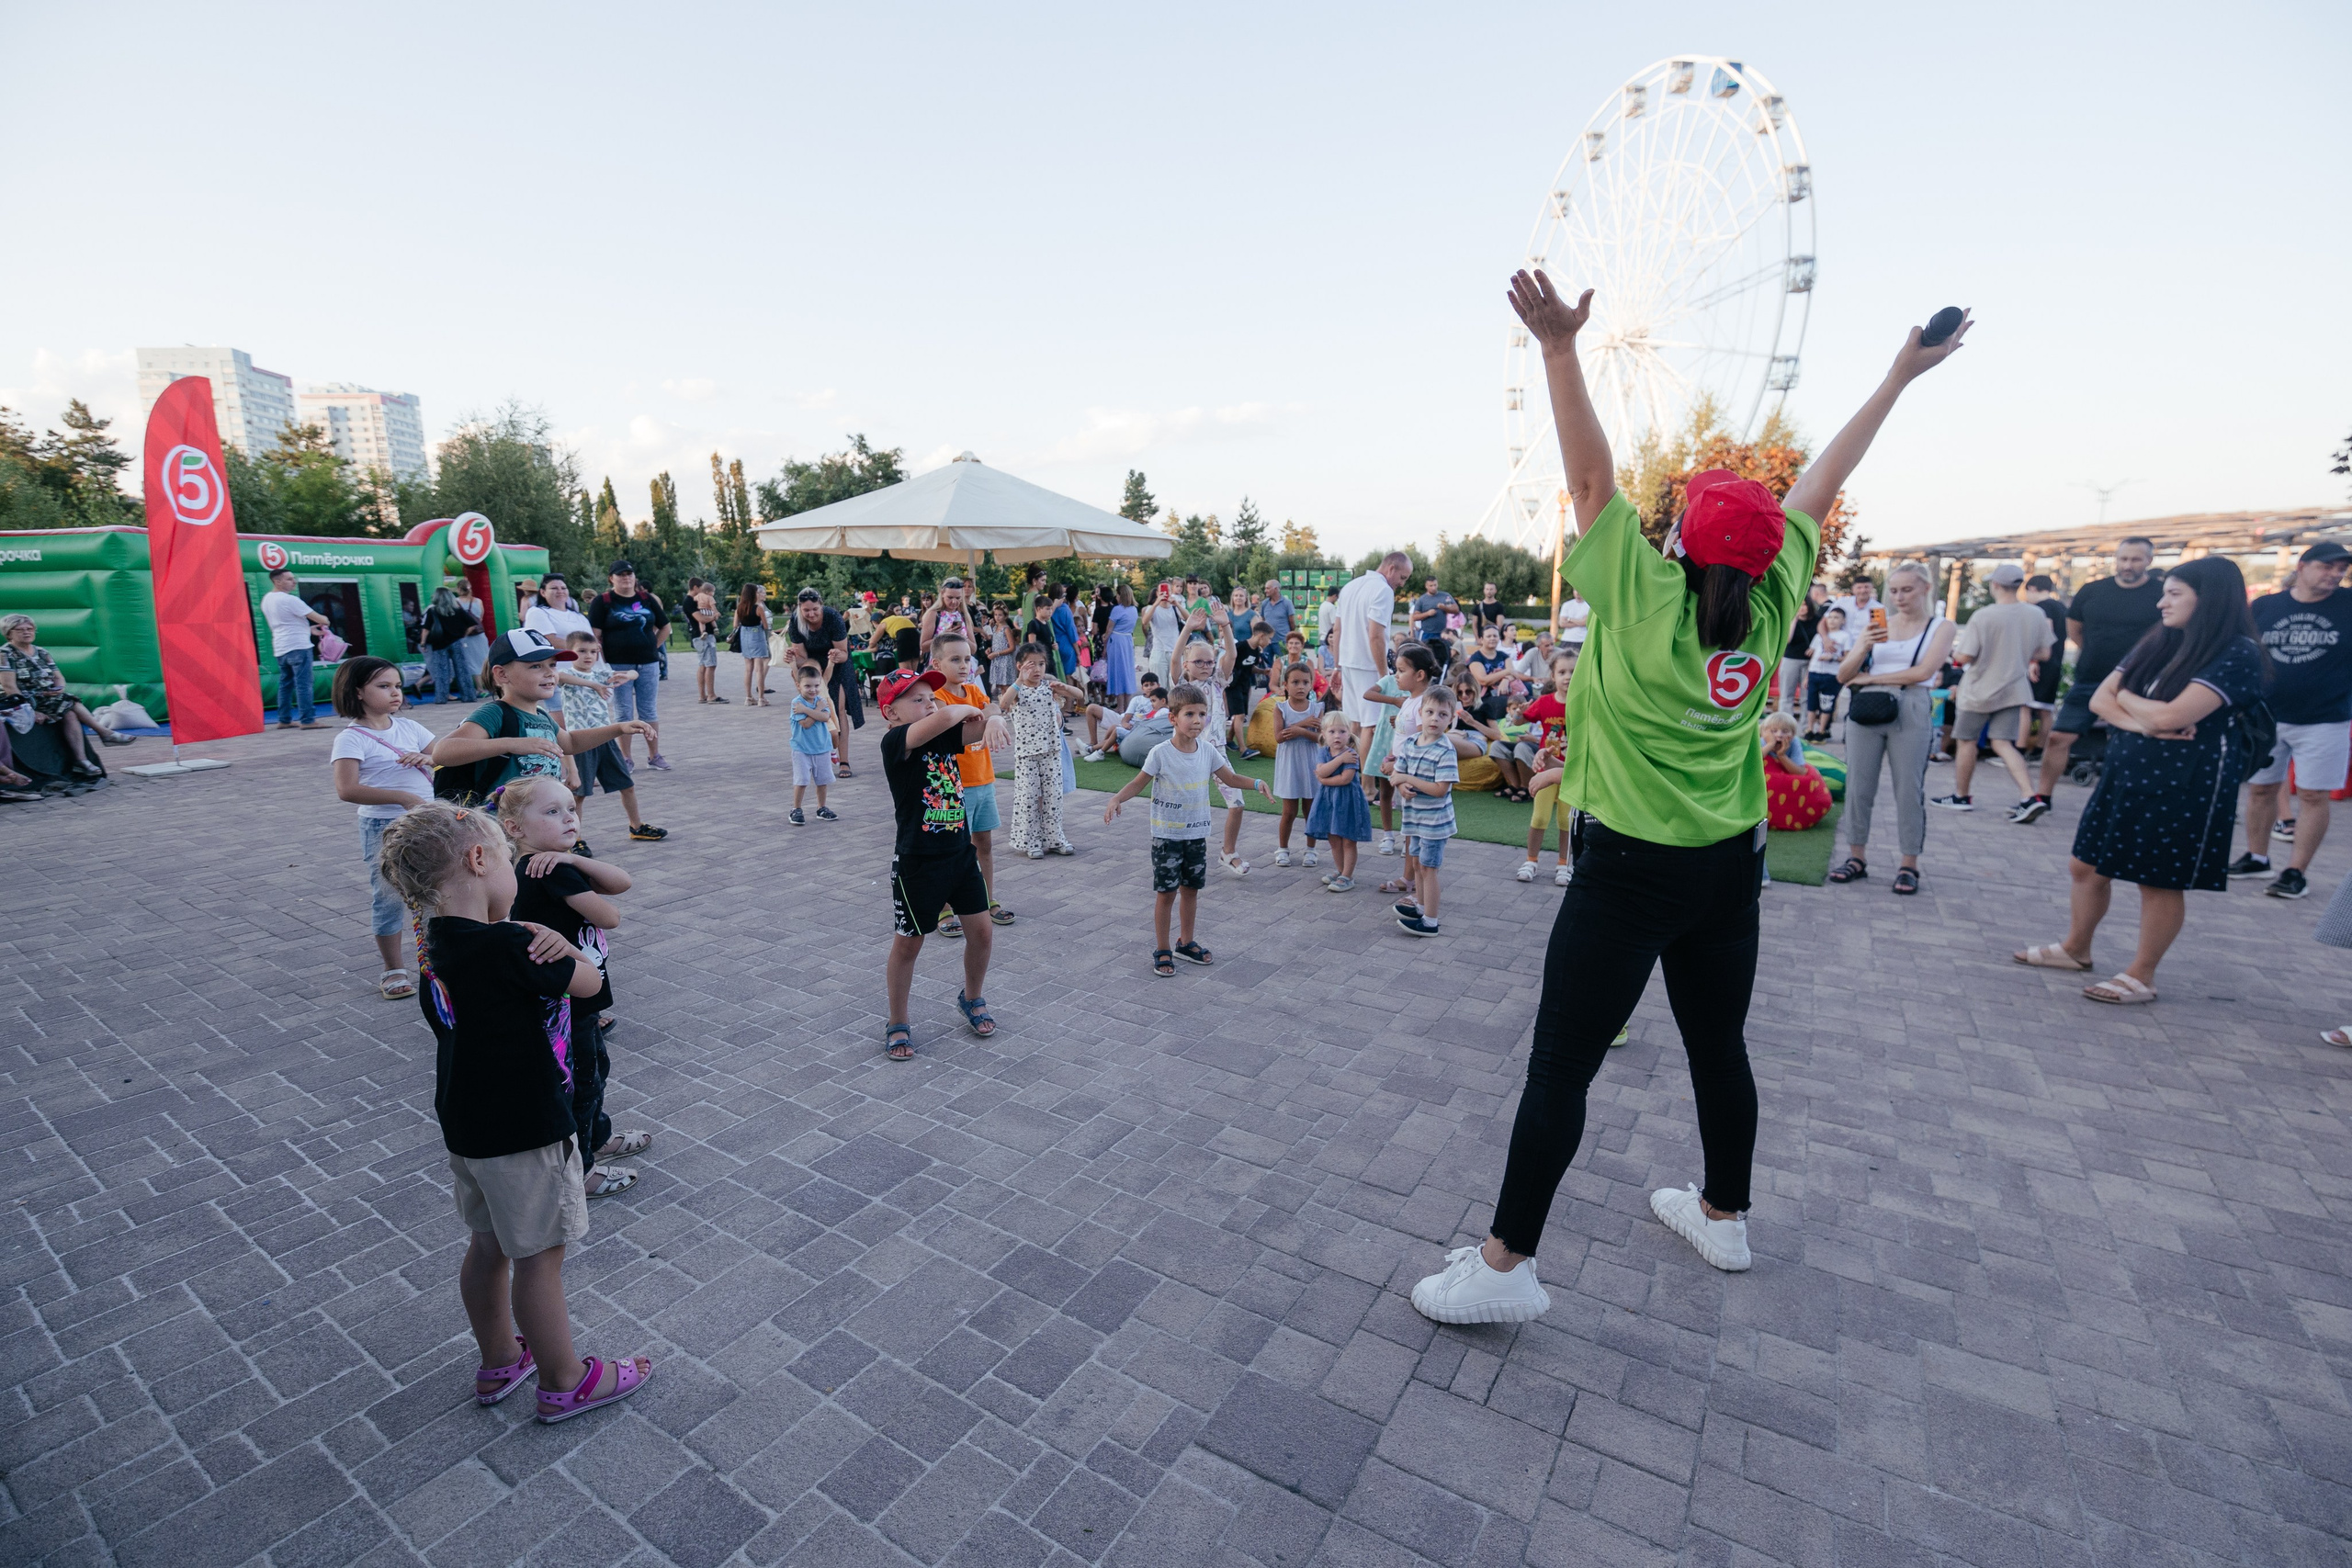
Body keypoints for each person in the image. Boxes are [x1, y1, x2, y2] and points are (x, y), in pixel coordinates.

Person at [1410, 270, 1969, 1326]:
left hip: (1628, 870)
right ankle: (1724, 1214)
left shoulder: (1642, 592)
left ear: (1675, 542)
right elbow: (1819, 484)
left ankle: (1503, 1266)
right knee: (1719, 1046)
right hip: (1728, 866)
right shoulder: (1770, 602)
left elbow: (1583, 475)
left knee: (1560, 1069)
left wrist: (1561, 351)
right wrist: (1897, 376)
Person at [373, 799, 651, 1424]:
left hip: (469, 1125)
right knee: (540, 1255)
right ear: (479, 860)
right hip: (525, 1125)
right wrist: (559, 946)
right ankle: (564, 1377)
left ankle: (500, 1357)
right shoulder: (508, 944)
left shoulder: (436, 943)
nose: (511, 875)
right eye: (505, 862)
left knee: (488, 1243)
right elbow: (590, 985)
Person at [2012, 557, 2268, 1004]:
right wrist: (2143, 721)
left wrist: (2132, 706)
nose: (2161, 602)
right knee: (2085, 865)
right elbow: (2101, 701)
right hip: (2127, 770)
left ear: (2208, 601)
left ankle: (2142, 974)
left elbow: (2173, 714)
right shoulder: (2161, 639)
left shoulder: (2236, 651)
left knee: (2158, 880)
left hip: (2187, 781)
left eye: (2174, 594)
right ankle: (2076, 948)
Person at [498, 777, 647, 1199]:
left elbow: (621, 879)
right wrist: (569, 867)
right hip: (568, 999)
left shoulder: (555, 864)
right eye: (552, 811)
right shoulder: (549, 872)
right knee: (583, 1083)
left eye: (571, 809)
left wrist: (576, 861)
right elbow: (610, 914)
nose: (569, 817)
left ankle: (598, 1138)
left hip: (573, 996)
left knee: (594, 1073)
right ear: (514, 828)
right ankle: (582, 1169)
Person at [1101, 681, 1272, 976]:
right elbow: (1139, 783)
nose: (1197, 721)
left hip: (1196, 835)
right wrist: (1117, 798)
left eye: (1202, 714)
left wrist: (1256, 783)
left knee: (1191, 890)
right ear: (1173, 718)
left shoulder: (1207, 751)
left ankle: (1186, 943)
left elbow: (1229, 778)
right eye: (1190, 714)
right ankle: (1163, 948)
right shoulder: (1160, 753)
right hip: (1167, 836)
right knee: (1166, 893)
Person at [877, 669, 996, 1060]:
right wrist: (965, 707)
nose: (930, 704)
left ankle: (972, 996)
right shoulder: (896, 741)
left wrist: (990, 716)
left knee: (982, 933)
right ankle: (898, 1020)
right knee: (909, 945)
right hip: (918, 862)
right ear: (890, 713)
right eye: (918, 699)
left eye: (932, 697)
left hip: (960, 855)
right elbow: (950, 716)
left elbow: (976, 728)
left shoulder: (943, 735)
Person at [2232, 541, 2352, 898]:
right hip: (2267, 716)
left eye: (2341, 568)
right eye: (2326, 566)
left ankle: (2295, 871)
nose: (2335, 574)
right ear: (2302, 567)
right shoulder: (2268, 606)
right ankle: (2257, 857)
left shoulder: (2349, 605)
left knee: (2314, 795)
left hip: (2326, 718)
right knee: (2261, 788)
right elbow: (2246, 651)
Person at [1826, 562, 1955, 895]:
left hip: (1911, 706)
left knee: (1908, 789)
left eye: (1907, 589)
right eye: (1894, 590)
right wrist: (1865, 644)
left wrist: (1871, 678)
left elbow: (1924, 672)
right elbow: (1843, 675)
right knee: (1857, 786)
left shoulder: (1940, 626)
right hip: (1867, 710)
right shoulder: (1877, 623)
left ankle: (1908, 864)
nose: (1899, 597)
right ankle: (1857, 858)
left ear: (1926, 589)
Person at [2025, 537, 2164, 816]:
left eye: (2135, 559)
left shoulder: (2160, 594)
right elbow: (2075, 630)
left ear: (2149, 560)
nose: (2128, 565)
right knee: (2058, 737)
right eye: (2123, 559)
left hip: (2138, 684)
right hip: (2090, 678)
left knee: (2126, 743)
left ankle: (2120, 801)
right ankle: (2042, 797)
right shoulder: (2092, 591)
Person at [434, 629, 652, 804]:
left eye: (553, 665)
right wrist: (511, 744)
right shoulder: (495, 713)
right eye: (536, 666)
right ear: (502, 674)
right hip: (502, 833)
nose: (550, 673)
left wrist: (619, 728)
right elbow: (443, 752)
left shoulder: (541, 715)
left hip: (536, 828)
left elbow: (570, 743)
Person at [329, 656, 436, 1000]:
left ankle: (441, 958)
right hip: (382, 827)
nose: (395, 693)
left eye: (397, 685)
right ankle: (393, 969)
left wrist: (429, 758)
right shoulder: (351, 738)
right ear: (358, 691)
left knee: (438, 890)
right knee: (388, 898)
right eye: (384, 686)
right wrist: (402, 797)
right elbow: (347, 790)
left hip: (428, 822)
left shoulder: (410, 728)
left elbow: (446, 754)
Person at [1933, 563, 2052, 818]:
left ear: (1995, 585)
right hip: (2014, 688)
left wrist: (1952, 652)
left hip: (1979, 689)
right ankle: (2029, 796)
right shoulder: (2035, 614)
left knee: (1966, 741)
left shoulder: (1984, 615)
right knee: (2003, 743)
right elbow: (2044, 652)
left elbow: (1964, 656)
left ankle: (1961, 796)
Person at [929, 633, 1012, 931]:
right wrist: (983, 716)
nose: (964, 665)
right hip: (953, 788)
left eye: (967, 659)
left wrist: (993, 718)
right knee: (951, 850)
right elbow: (948, 718)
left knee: (984, 846)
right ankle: (944, 908)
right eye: (955, 659)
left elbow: (992, 707)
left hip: (983, 782)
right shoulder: (937, 697)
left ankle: (987, 899)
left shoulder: (974, 691)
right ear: (936, 663)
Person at [560, 632, 665, 844]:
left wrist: (627, 676)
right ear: (571, 652)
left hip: (606, 739)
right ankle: (574, 840)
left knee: (627, 785)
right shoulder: (567, 675)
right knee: (578, 795)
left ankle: (636, 827)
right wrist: (594, 685)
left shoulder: (602, 674)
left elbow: (634, 673)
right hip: (581, 741)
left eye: (593, 652)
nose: (588, 656)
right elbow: (559, 678)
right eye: (581, 651)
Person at [0, 615, 130, 775]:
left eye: (29, 629)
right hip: (23, 701)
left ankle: (81, 761)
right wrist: (29, 711)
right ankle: (104, 733)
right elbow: (9, 686)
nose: (26, 633)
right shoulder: (5, 654)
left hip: (48, 698)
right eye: (20, 630)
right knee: (70, 701)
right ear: (8, 633)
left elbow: (58, 676)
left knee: (70, 713)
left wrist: (58, 688)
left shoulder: (41, 652)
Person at [1000, 643, 1084, 860]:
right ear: (1019, 666)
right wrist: (1019, 679)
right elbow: (1004, 702)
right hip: (1027, 753)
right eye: (1031, 665)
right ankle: (1030, 841)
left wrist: (1064, 687)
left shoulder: (1049, 687)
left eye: (1041, 664)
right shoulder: (1018, 690)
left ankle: (1055, 839)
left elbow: (1080, 694)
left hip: (1051, 751)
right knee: (1028, 798)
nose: (1037, 669)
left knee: (1053, 797)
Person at [1387, 686, 1461, 937]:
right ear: (1420, 713)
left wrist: (1408, 778)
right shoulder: (1410, 743)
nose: (1434, 718)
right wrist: (1403, 784)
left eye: (1442, 714)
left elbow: (1440, 789)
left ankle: (1430, 921)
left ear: (1451, 718)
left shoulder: (1445, 750)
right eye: (1430, 712)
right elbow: (1396, 775)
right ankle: (1420, 907)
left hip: (1435, 823)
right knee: (1417, 864)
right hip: (1415, 818)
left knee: (1429, 869)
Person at [585, 562, 670, 771]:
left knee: (648, 709)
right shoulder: (602, 601)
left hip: (648, 664)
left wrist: (653, 647)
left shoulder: (646, 599)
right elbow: (595, 636)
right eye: (620, 574)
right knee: (623, 711)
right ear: (611, 579)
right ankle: (626, 758)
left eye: (629, 573)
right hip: (617, 666)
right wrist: (603, 663)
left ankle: (654, 755)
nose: (626, 578)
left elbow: (665, 627)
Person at [1336, 552, 1410, 757]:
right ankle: (1367, 787)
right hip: (1368, 663)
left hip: (1348, 662)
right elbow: (1376, 636)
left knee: (1355, 723)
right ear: (1391, 569)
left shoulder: (1350, 586)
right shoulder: (1383, 590)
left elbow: (1337, 631)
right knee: (1369, 725)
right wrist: (1383, 673)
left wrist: (1337, 666)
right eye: (1403, 578)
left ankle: (1352, 774)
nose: (1402, 584)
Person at [1518, 645, 1579, 885]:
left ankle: (1564, 863)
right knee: (1540, 817)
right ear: (1552, 676)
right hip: (1545, 769)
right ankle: (1531, 860)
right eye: (1562, 672)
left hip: (1571, 771)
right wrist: (1518, 713)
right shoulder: (1544, 702)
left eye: (1574, 671)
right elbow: (1523, 718)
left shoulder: (1584, 703)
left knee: (1566, 820)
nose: (1568, 677)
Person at [786, 588, 863, 770]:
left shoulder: (833, 618)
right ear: (800, 609)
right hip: (811, 663)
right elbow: (802, 658)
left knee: (839, 709)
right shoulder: (795, 621)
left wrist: (834, 657)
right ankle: (817, 754)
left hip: (838, 661)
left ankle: (844, 761)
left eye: (815, 609)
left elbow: (844, 653)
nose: (811, 614)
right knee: (813, 705)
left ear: (821, 606)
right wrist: (793, 659)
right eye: (806, 610)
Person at [1306, 710, 1371, 892]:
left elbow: (1345, 779)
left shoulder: (1350, 754)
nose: (1337, 736)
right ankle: (1341, 871)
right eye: (1332, 732)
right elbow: (1321, 769)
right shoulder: (1322, 752)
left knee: (1348, 839)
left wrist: (1324, 779)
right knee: (1333, 838)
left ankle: (1348, 876)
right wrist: (1331, 766)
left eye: (1342, 731)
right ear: (1324, 734)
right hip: (1329, 803)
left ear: (1349, 733)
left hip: (1348, 802)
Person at [1269, 662, 1323, 868]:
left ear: (1311, 685)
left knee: (1311, 810)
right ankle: (1282, 849)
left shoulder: (1317, 709)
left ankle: (1311, 849)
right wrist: (1302, 725)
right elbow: (1279, 737)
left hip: (1310, 762)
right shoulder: (1280, 708)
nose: (1301, 686)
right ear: (1285, 685)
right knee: (1289, 812)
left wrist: (1301, 732)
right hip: (1289, 763)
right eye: (1295, 682)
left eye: (1305, 682)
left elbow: (1320, 739)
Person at [260, 568, 330, 729]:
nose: (294, 582)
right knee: (304, 684)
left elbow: (285, 623)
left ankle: (284, 719)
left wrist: (308, 630)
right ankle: (308, 720)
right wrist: (325, 620)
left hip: (281, 647)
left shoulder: (267, 599)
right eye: (290, 579)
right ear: (277, 582)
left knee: (286, 684)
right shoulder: (290, 600)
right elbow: (320, 618)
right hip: (298, 646)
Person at [786, 663, 840, 827]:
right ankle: (796, 809)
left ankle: (821, 807)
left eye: (816, 686)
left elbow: (825, 718)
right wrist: (817, 710)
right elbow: (806, 724)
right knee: (801, 780)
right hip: (802, 749)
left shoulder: (821, 701)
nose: (813, 690)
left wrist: (811, 709)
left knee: (822, 780)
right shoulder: (796, 703)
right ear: (798, 685)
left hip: (822, 748)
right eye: (807, 686)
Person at [2020, 574, 2070, 755]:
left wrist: (2034, 660)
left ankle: (2019, 749)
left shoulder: (2043, 608)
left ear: (2032, 588)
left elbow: (2044, 634)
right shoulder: (2060, 607)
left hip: (2040, 664)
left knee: (2025, 707)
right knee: (2045, 710)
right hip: (2055, 663)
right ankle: (2040, 750)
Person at [1761, 714, 1832, 831]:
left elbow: (1800, 772)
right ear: (1764, 733)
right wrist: (1770, 745)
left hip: (1786, 777)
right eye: (1773, 731)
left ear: (1793, 735)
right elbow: (1753, 762)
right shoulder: (1762, 742)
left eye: (1785, 731)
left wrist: (1781, 756)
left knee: (1805, 782)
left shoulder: (1794, 743)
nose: (1779, 735)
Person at [1228, 619, 1278, 755]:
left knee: (1241, 714)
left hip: (1245, 685)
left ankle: (1228, 739)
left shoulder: (1256, 651)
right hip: (1233, 685)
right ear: (1261, 635)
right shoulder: (1241, 647)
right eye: (1269, 638)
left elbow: (1250, 667)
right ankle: (1243, 749)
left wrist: (1263, 671)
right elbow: (1228, 660)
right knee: (1239, 715)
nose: (1269, 642)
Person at [424, 588, 481, 705]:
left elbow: (426, 628)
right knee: (462, 670)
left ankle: (441, 697)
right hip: (456, 642)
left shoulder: (433, 611)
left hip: (439, 644)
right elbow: (472, 624)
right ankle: (468, 695)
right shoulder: (458, 611)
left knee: (441, 672)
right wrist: (463, 635)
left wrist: (423, 642)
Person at [1803, 606, 1851, 741]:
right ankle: (1809, 728)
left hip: (1831, 674)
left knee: (1827, 703)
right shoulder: (1819, 636)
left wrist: (1833, 658)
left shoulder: (1845, 636)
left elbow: (1848, 656)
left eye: (1836, 618)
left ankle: (1822, 730)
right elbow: (1813, 655)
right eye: (1830, 617)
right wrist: (1807, 676)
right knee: (1811, 702)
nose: (1832, 620)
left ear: (1843, 621)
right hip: (1815, 671)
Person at [1781, 581, 1828, 716]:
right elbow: (1787, 640)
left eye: (1804, 605)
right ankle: (1785, 724)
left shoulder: (1818, 620)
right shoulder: (1790, 620)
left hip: (1810, 662)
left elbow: (1823, 637)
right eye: (1799, 606)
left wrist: (1815, 648)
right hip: (1790, 659)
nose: (1802, 608)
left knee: (1806, 697)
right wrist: (1794, 619)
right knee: (1786, 695)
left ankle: (1804, 728)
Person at [523, 575, 592, 646]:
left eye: (563, 588)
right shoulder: (537, 612)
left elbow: (594, 641)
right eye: (554, 588)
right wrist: (585, 648)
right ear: (543, 592)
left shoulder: (579, 616)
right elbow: (548, 640)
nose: (560, 591)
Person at [734, 584, 773, 706]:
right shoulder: (758, 607)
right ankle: (761, 698)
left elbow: (735, 625)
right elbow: (766, 626)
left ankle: (748, 697)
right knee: (759, 669)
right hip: (757, 636)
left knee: (748, 669)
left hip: (744, 636)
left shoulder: (739, 608)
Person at [688, 583, 724, 705]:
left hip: (697, 636)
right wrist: (715, 614)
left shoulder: (695, 599)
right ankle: (711, 695)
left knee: (702, 664)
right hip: (707, 637)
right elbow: (707, 615)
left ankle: (702, 695)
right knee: (711, 665)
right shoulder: (709, 598)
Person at [1102, 585, 1139, 699]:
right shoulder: (1134, 609)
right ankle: (1127, 702)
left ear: (1121, 595)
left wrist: (1105, 644)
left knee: (1118, 671)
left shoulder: (1117, 610)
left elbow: (1109, 629)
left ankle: (1120, 703)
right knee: (1127, 671)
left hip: (1117, 641)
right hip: (1127, 640)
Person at [1258, 579, 1297, 643]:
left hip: (1282, 641)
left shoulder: (1287, 603)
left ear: (1276, 589)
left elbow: (1292, 623)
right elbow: (1262, 620)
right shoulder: (1264, 603)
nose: (1265, 591)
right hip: (1267, 642)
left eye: (1268, 588)